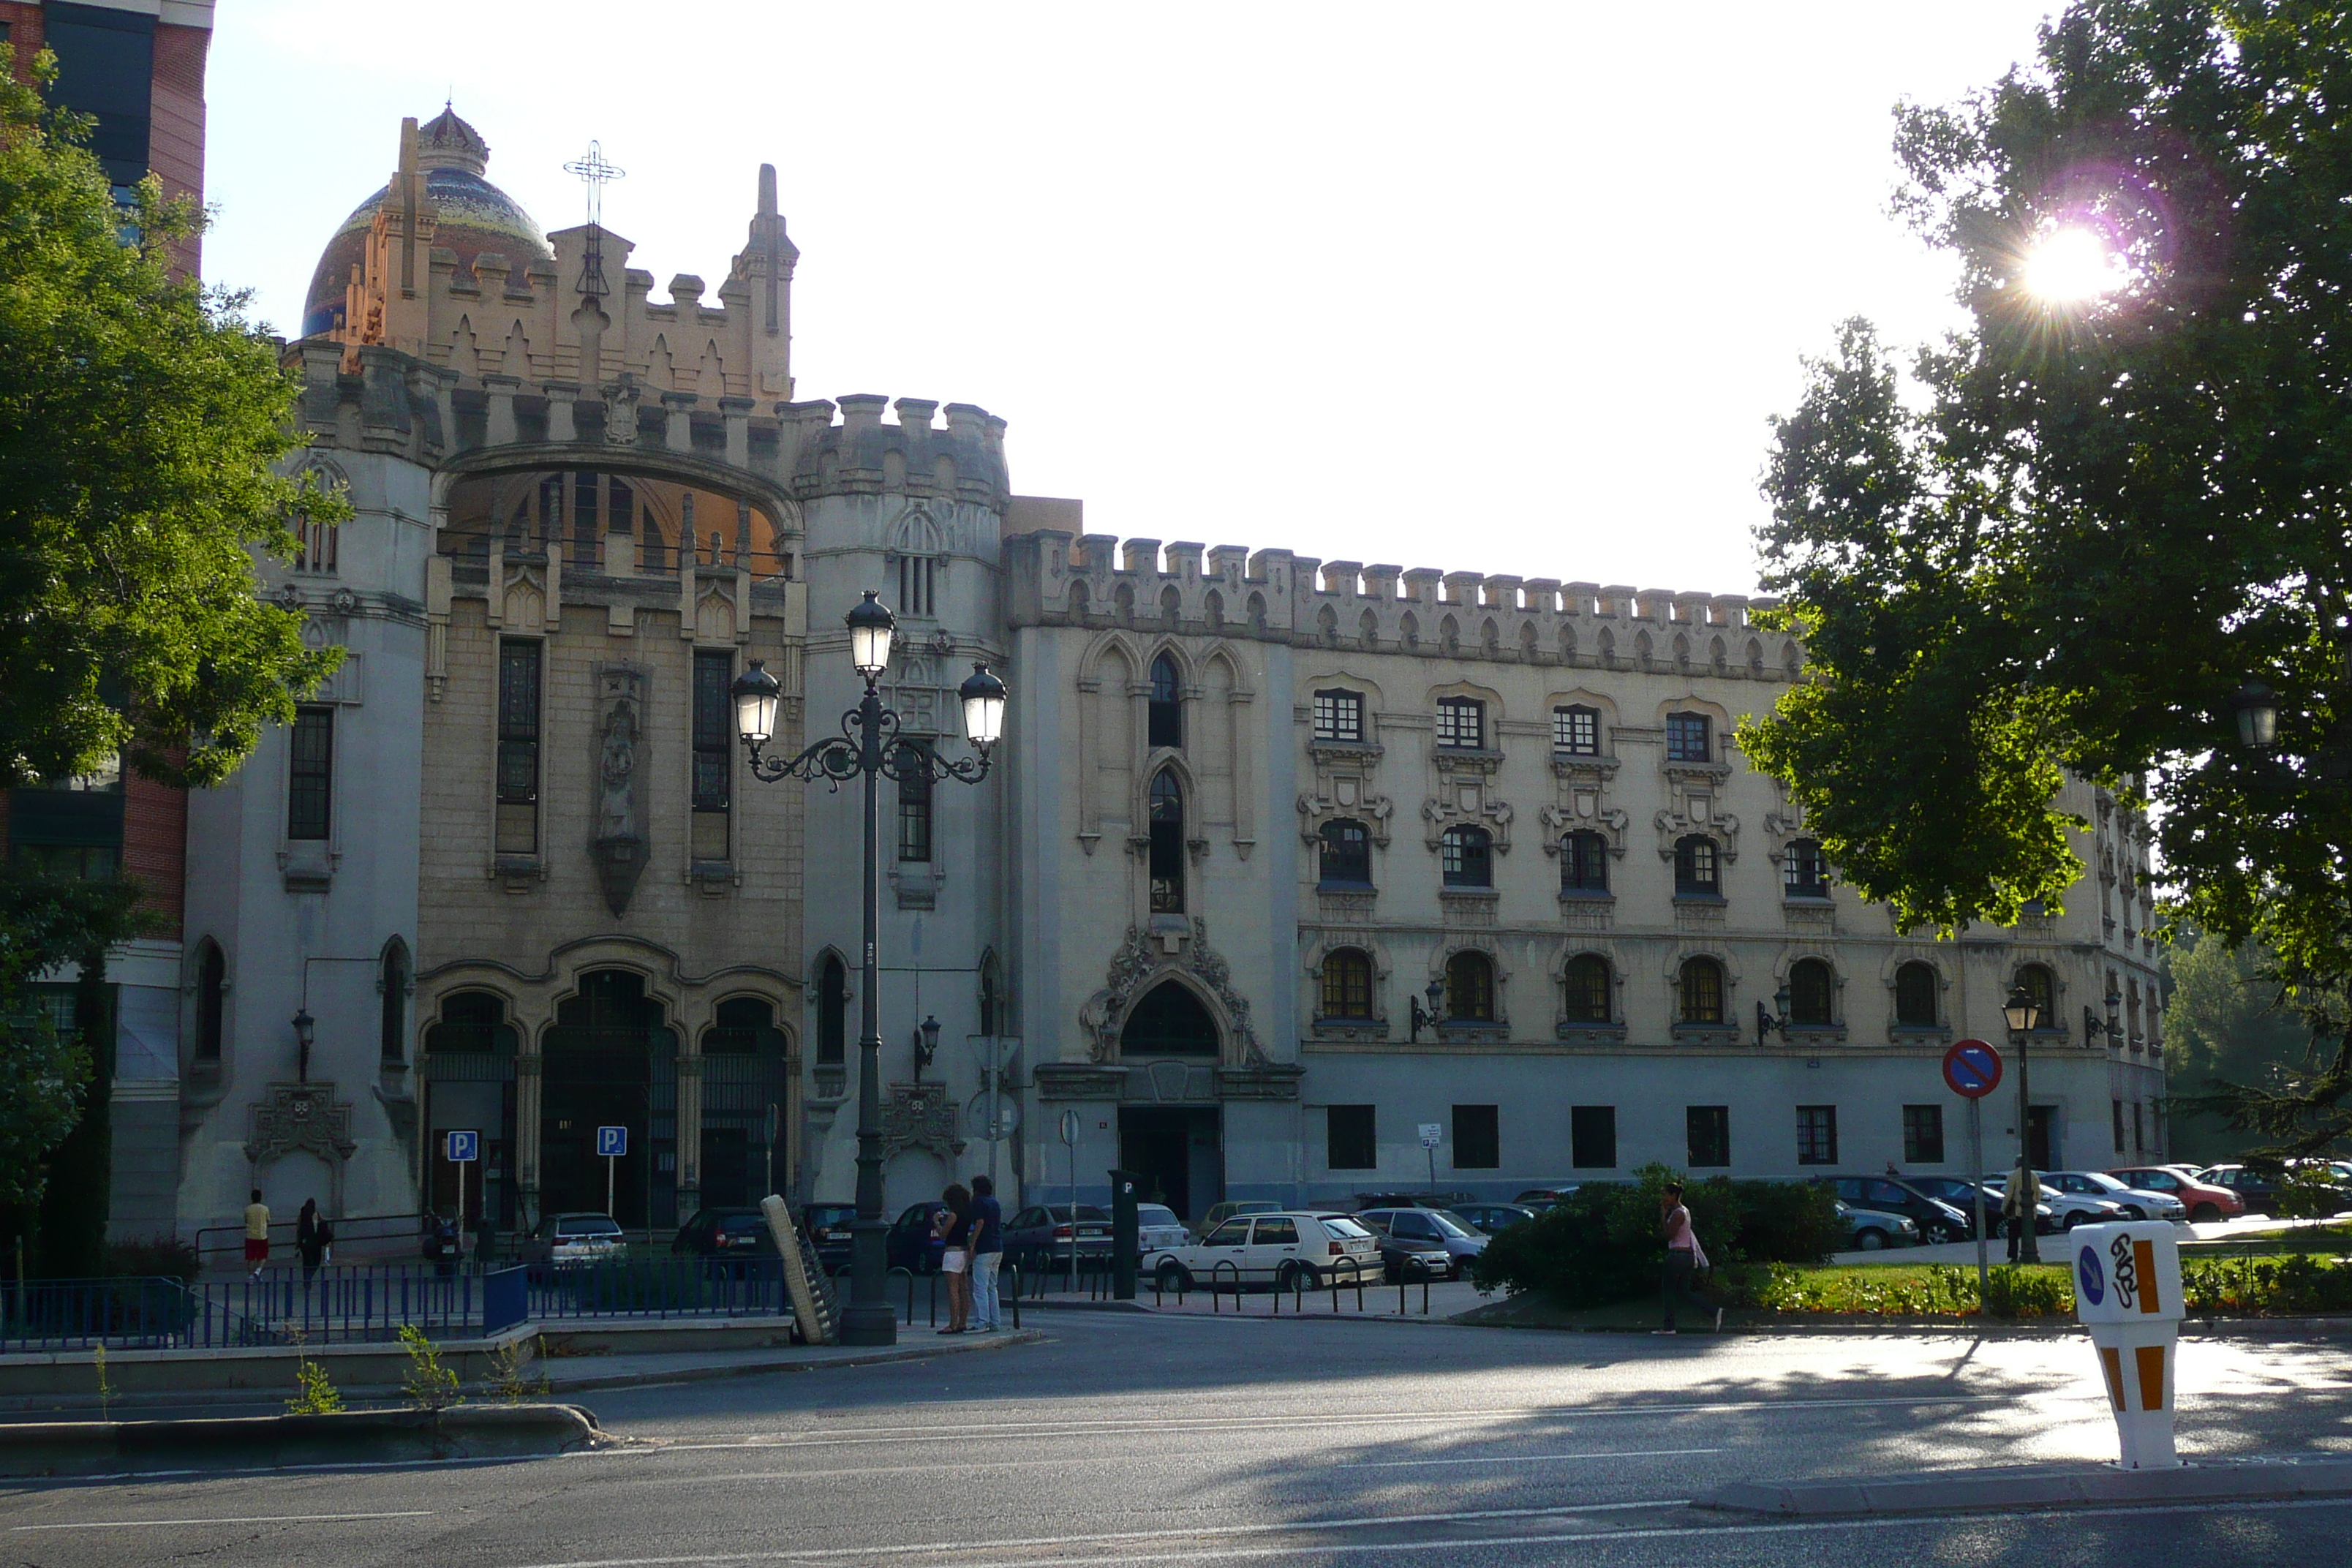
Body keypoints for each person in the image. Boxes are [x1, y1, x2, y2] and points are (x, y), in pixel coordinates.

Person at [1655, 1181, 1721, 1335]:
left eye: (1665, 1194)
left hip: (1678, 1256)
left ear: (1673, 1196)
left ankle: (1669, 1327)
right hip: (1686, 1257)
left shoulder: (1678, 1213)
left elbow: (1669, 1236)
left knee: (1669, 1291)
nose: (1663, 1197)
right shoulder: (1684, 1211)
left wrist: (1663, 1217)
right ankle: (1714, 1311)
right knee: (1684, 1291)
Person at [968, 1174, 1003, 1332]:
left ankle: (982, 1321)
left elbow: (979, 1222)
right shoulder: (994, 1202)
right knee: (992, 1287)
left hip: (984, 1247)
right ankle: (995, 1321)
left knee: (980, 1287)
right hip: (997, 1247)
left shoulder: (978, 1202)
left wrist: (972, 1244)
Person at [936, 1182, 973, 1333]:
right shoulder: (967, 1214)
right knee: (964, 1288)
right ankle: (963, 1322)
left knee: (952, 1289)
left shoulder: (953, 1215)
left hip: (952, 1252)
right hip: (964, 1251)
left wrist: (936, 1222)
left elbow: (943, 1234)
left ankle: (953, 1323)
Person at [2004, 1159, 2038, 1263]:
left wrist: (2004, 1209)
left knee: (2013, 1236)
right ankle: (2031, 1254)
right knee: (2029, 1235)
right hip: (2031, 1211)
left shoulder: (2012, 1176)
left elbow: (2009, 1195)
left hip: (2016, 1211)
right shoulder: (2034, 1176)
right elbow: (2038, 1194)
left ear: (2016, 1164)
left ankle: (2014, 1257)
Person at [296, 1199, 327, 1286]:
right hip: (315, 1242)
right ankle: (309, 1277)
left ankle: (306, 1280)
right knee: (316, 1261)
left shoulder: (301, 1215)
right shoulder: (316, 1214)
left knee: (306, 1262)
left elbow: (298, 1230)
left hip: (304, 1242)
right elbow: (323, 1223)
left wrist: (297, 1244)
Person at [244, 1190, 271, 1278]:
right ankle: (258, 1270)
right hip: (262, 1236)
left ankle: (250, 1276)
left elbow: (246, 1221)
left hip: (250, 1236)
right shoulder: (265, 1208)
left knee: (250, 1257)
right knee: (263, 1255)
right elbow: (268, 1220)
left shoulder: (247, 1209)